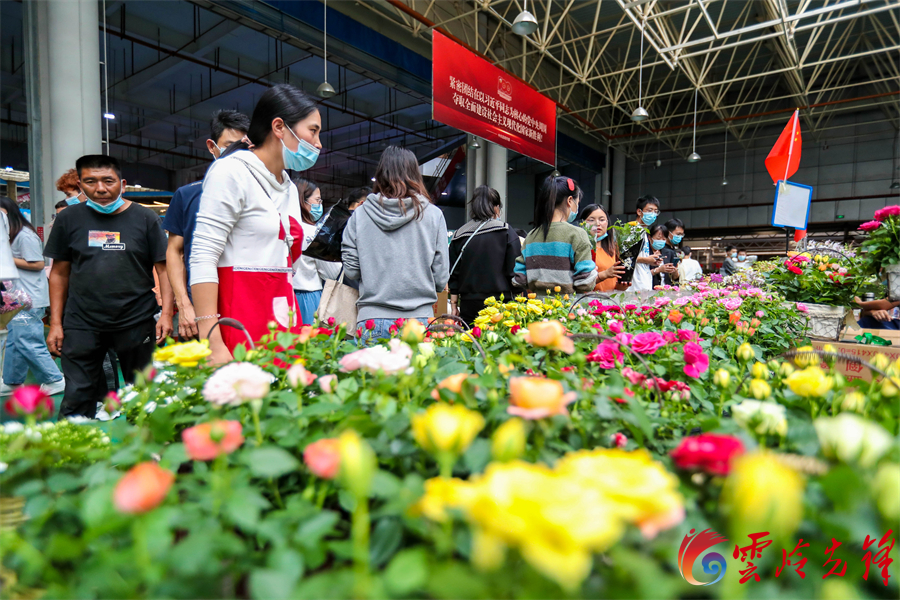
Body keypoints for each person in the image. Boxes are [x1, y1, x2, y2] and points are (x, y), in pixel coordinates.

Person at [191, 84, 321, 362]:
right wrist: (211, 338)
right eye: (313, 130)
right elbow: (203, 255)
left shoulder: (287, 185)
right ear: (279, 126)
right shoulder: (231, 171)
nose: (318, 144)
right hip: (239, 317)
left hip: (282, 317)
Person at [43, 155, 174, 418]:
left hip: (136, 319)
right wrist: (56, 323)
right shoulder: (69, 219)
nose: (100, 189)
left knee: (143, 392)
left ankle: (146, 452)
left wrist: (167, 314)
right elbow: (59, 272)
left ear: (122, 184)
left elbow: (164, 268)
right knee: (77, 394)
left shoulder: (145, 218)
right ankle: (73, 453)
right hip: (82, 321)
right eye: (90, 182)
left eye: (108, 181)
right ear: (80, 184)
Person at [342, 146, 449, 342]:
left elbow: (351, 271)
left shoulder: (360, 215)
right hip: (419, 320)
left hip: (371, 319)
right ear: (415, 174)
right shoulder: (433, 215)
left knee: (370, 374)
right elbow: (441, 279)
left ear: (381, 175)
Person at [164, 110, 250, 340]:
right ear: (212, 147)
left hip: (248, 302)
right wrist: (183, 305)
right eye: (230, 147)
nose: (239, 155)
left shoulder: (265, 194)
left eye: (245, 147)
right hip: (202, 307)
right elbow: (174, 251)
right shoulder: (188, 195)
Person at [0, 197, 65, 396]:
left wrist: (6, 258)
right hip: (15, 299)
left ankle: (54, 379)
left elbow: (37, 263)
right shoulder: (8, 236)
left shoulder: (25, 235)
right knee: (14, 340)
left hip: (29, 299)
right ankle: (12, 381)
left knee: (27, 340)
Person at [448, 185, 521, 325]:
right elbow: (514, 271)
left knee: (470, 342)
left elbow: (453, 273)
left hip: (468, 305)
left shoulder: (459, 235)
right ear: (495, 207)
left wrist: (453, 305)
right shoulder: (505, 231)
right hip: (500, 304)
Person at [513, 176, 597, 295]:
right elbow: (585, 283)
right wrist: (593, 272)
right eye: (577, 203)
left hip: (535, 308)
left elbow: (519, 279)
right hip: (566, 309)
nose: (577, 208)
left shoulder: (531, 236)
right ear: (569, 201)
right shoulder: (577, 234)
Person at [290, 177, 330, 325]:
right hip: (309, 298)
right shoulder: (313, 233)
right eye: (318, 200)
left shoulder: (278, 228)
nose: (320, 205)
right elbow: (331, 272)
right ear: (302, 201)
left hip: (284, 296)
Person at [578, 203, 626, 292]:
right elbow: (580, 282)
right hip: (589, 302)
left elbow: (614, 281)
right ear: (582, 223)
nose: (597, 224)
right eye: (591, 220)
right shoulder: (580, 248)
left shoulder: (614, 247)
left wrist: (621, 287)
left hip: (611, 301)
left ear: (607, 222)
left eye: (602, 219)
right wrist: (605, 274)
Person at [631, 195, 673, 292]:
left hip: (643, 284)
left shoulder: (643, 232)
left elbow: (637, 257)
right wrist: (646, 259)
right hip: (634, 287)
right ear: (639, 212)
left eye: (655, 211)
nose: (653, 214)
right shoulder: (632, 230)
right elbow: (624, 257)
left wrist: (651, 260)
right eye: (649, 210)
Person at [649, 223, 676, 288]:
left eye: (663, 239)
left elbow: (675, 277)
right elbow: (641, 275)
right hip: (650, 289)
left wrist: (674, 270)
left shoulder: (669, 253)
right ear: (650, 238)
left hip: (666, 291)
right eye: (658, 239)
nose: (661, 241)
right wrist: (658, 270)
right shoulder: (645, 253)